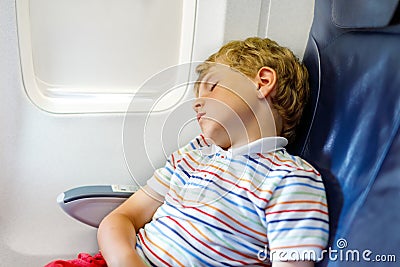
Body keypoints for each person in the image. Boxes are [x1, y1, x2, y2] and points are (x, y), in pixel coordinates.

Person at [47, 37, 329, 267]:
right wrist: (125, 259)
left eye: (212, 87)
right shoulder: (194, 154)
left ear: (262, 82)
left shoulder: (291, 179)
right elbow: (121, 218)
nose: (197, 104)